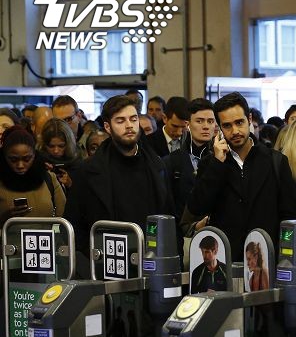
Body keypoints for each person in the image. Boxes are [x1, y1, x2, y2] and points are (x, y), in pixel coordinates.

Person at [183, 92, 296, 257]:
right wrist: (217, 164)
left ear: (249, 119)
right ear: (220, 127)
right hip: (226, 258)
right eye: (227, 125)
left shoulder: (276, 161)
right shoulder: (211, 163)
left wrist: (284, 255)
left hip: (267, 256)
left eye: (239, 122)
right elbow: (197, 207)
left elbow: (289, 215)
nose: (235, 131)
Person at [64, 95, 173, 255]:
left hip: (151, 258)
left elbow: (169, 216)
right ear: (108, 127)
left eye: (133, 119)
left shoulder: (157, 166)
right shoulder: (88, 171)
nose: (129, 126)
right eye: (120, 121)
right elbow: (74, 225)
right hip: (105, 261)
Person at [0, 126, 66, 223]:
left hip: (46, 237)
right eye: (13, 160)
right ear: (4, 156)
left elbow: (64, 217)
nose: (20, 165)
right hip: (7, 237)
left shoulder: (49, 179)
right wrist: (4, 218)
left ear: (34, 155)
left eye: (27, 159)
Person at [38, 118, 81, 191]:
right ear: (44, 144)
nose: (56, 151)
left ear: (68, 144)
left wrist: (70, 184)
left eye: (61, 146)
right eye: (51, 146)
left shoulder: (77, 161)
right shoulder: (37, 160)